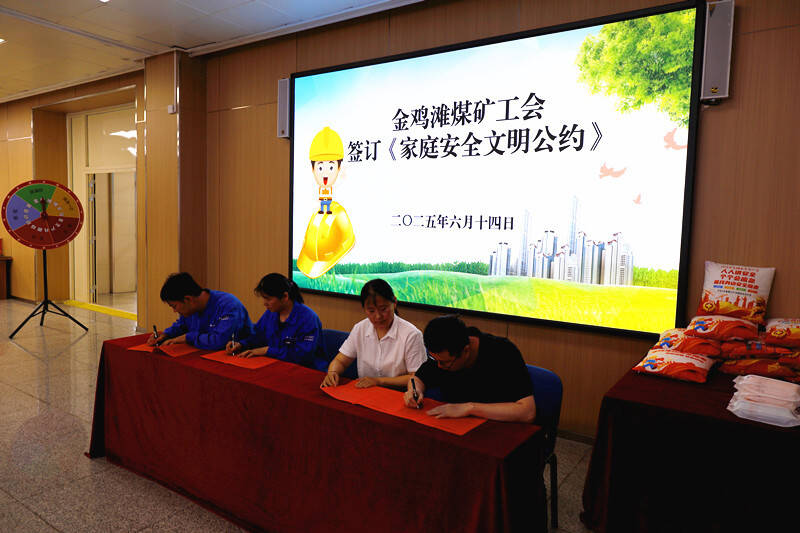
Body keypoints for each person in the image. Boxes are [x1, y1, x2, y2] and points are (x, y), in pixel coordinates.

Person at [404, 315, 536, 423]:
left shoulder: (503, 352)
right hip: (456, 425)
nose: (439, 366)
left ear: (466, 351)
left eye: (444, 363)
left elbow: (527, 412)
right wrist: (414, 391)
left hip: (499, 428)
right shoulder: (442, 353)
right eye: (435, 360)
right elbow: (418, 378)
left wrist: (469, 408)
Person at [320, 279, 426, 389]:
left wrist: (378, 381)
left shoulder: (411, 335)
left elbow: (416, 377)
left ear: (394, 302)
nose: (378, 316)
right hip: (365, 392)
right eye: (371, 311)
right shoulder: (360, 329)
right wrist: (332, 372)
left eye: (383, 309)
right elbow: (340, 361)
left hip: (398, 394)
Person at [225, 273, 322, 366]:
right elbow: (257, 337)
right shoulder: (271, 313)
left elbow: (303, 356)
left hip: (306, 370)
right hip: (274, 364)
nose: (264, 303)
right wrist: (241, 345)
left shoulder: (308, 319)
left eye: (268, 299)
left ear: (285, 296)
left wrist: (267, 350)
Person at [148, 272, 253, 351]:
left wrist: (188, 337)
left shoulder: (229, 305)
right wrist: (166, 334)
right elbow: (181, 325)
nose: (174, 311)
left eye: (174, 306)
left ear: (188, 299)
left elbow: (220, 341)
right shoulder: (191, 309)